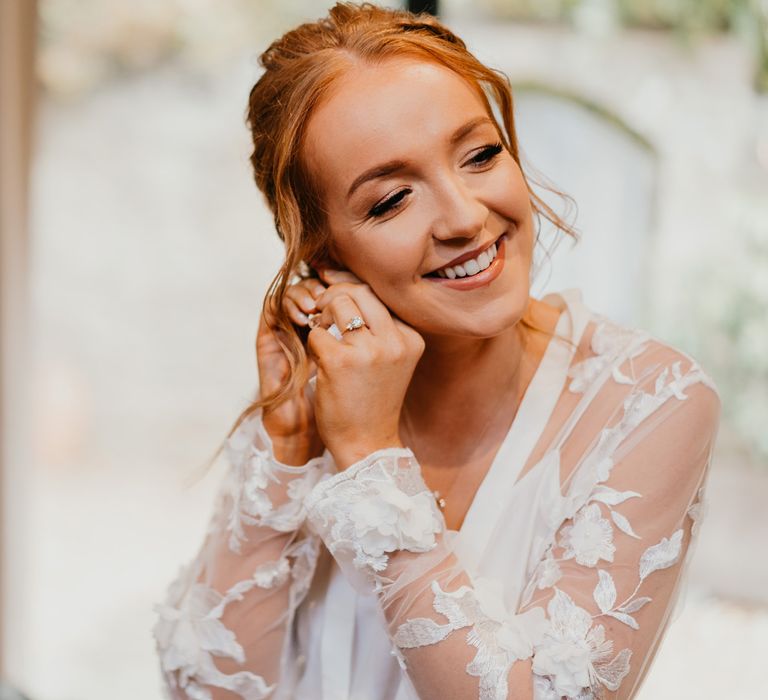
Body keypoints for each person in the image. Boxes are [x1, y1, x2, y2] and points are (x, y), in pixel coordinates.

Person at [152, 3, 720, 699]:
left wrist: (368, 458)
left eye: (480, 154)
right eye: (392, 200)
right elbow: (205, 690)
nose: (464, 217)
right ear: (323, 252)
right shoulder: (320, 389)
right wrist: (287, 444)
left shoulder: (650, 404)